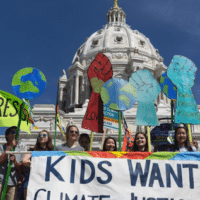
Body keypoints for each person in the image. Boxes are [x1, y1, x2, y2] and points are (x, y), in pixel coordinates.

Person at [22, 130, 53, 200]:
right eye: (39, 136)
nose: (42, 137)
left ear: (49, 137)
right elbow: (24, 160)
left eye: (44, 135)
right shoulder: (33, 150)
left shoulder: (53, 151)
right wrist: (36, 164)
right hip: (32, 178)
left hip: (47, 180)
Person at [0, 126, 22, 200]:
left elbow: (20, 168)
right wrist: (10, 147)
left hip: (13, 182)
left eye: (17, 133)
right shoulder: (1, 147)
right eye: (12, 132)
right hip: (1, 180)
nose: (15, 134)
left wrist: (15, 161)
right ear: (7, 135)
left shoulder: (19, 150)